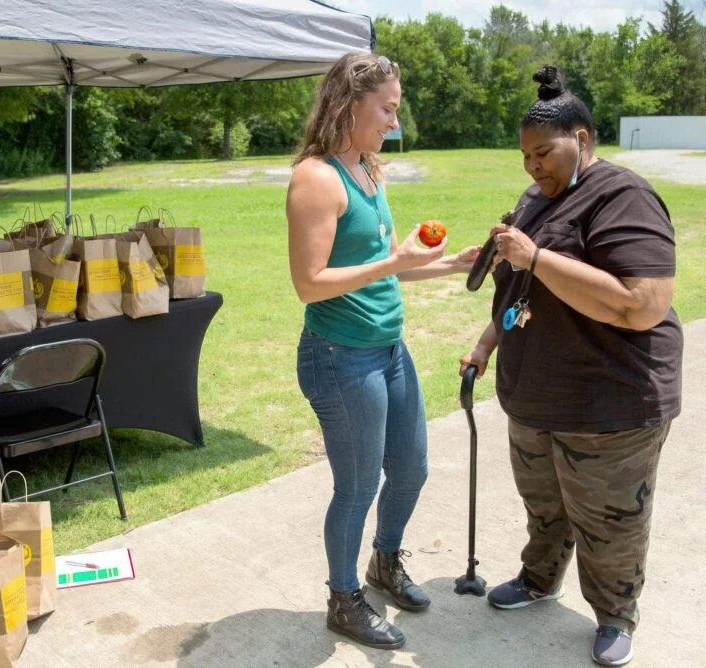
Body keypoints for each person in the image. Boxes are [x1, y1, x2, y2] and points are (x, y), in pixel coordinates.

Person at [460, 65, 683, 666]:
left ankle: (615, 614)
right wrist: (486, 344)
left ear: (581, 140)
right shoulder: (535, 199)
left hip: (609, 403)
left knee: (609, 521)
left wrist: (536, 257)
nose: (534, 167)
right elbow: (518, 291)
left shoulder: (623, 196)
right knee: (546, 506)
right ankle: (539, 580)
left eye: (544, 153)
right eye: (526, 156)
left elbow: (641, 305)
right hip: (534, 397)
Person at [286, 52, 479, 650]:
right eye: (387, 109)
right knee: (358, 484)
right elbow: (309, 283)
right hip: (339, 357)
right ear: (349, 104)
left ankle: (384, 563)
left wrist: (449, 264)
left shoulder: (370, 169)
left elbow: (384, 269)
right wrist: (395, 261)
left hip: (388, 350)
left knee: (413, 468)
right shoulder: (316, 179)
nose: (394, 123)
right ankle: (343, 598)